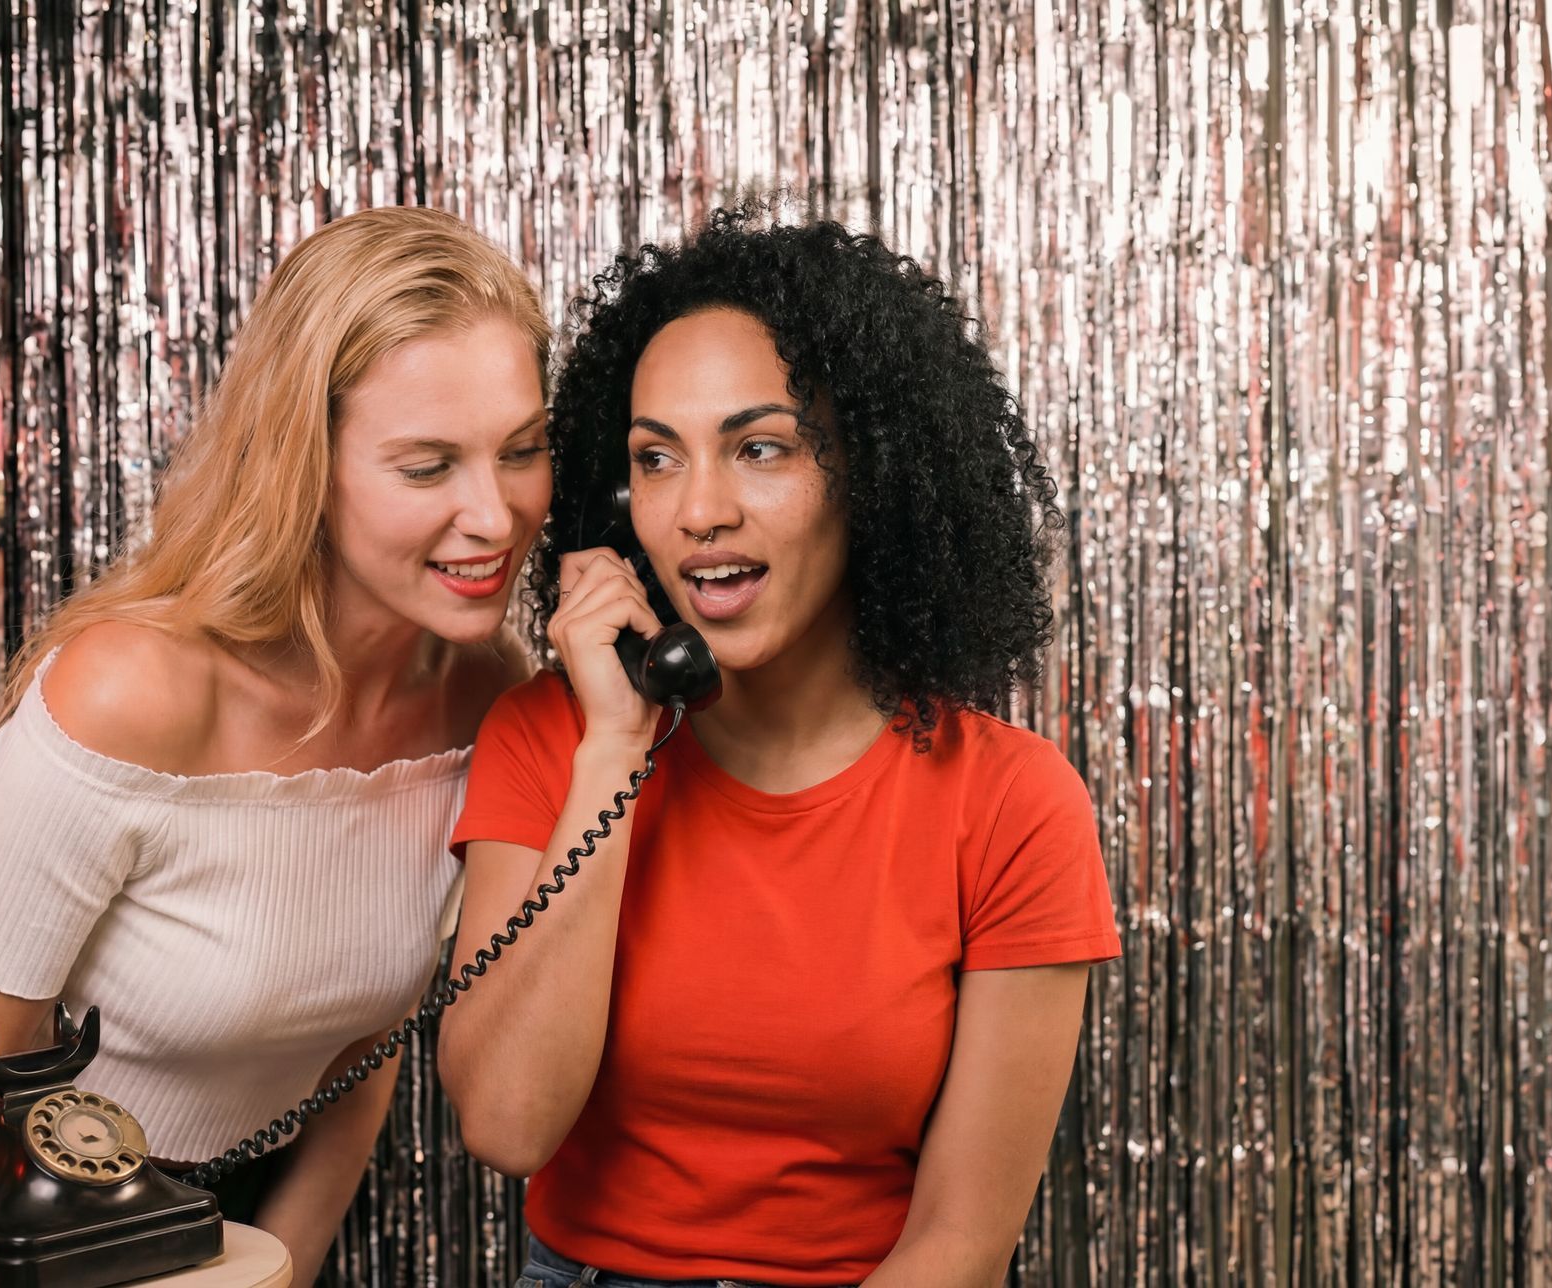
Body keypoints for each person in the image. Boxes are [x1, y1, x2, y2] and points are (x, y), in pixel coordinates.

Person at [0, 206, 554, 1286]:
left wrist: (280, 1270)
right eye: (427, 464)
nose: (493, 515)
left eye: (524, 449)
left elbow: (357, 1052)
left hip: (237, 1231)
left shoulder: (494, 693)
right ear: (308, 460)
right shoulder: (131, 690)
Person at [437, 202, 1122, 1287]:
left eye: (760, 448)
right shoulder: (550, 738)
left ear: (873, 473)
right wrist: (614, 747)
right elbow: (510, 1124)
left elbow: (962, 1241)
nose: (700, 509)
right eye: (656, 460)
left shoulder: (1013, 801)